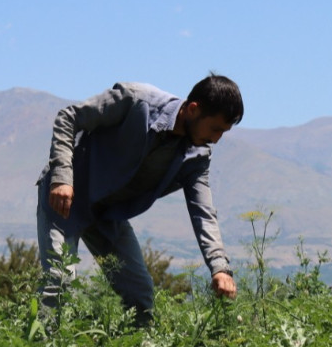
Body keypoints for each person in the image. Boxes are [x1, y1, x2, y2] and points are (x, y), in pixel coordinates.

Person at [36, 74, 242, 326]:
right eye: (215, 129)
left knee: (140, 295)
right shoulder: (136, 100)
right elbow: (69, 116)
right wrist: (61, 177)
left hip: (108, 214)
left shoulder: (197, 155)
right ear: (193, 109)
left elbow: (204, 213)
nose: (217, 139)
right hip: (66, 198)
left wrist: (219, 268)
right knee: (59, 281)